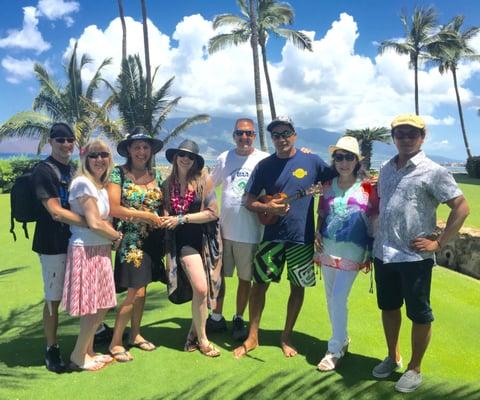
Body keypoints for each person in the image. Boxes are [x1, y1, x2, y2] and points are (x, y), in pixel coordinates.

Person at [371, 114, 469, 393]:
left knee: (419, 314)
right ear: (393, 138)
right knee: (388, 308)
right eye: (400, 134)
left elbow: (461, 207)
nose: (405, 138)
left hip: (414, 258)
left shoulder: (433, 171)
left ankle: (415, 367)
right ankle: (393, 356)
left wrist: (439, 243)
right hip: (384, 253)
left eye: (411, 134)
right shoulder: (387, 168)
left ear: (422, 137)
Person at [233, 116, 335, 358]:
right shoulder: (265, 166)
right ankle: (253, 336)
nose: (281, 139)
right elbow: (248, 200)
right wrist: (268, 208)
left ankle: (286, 336)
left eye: (285, 133)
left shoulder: (312, 161)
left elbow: (339, 175)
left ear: (295, 135)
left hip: (302, 237)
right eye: (276, 135)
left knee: (297, 288)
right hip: (271, 237)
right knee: (259, 286)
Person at [314, 136, 378, 371]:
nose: (343, 162)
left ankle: (333, 350)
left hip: (354, 250)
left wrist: (370, 251)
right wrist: (317, 234)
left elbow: (373, 221)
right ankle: (342, 339)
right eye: (339, 157)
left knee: (339, 297)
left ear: (357, 160)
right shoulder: (328, 186)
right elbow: (322, 215)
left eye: (349, 157)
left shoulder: (368, 187)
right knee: (331, 299)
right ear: (334, 160)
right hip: (328, 249)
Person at [31, 123, 88, 373]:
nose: (66, 144)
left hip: (76, 239)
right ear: (51, 142)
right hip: (52, 244)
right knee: (54, 297)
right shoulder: (43, 171)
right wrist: (93, 224)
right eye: (61, 140)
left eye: (70, 140)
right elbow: (55, 211)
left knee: (83, 288)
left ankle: (93, 329)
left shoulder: (75, 169)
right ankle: (51, 348)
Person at [62, 139, 122, 371]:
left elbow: (101, 221)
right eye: (94, 155)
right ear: (85, 158)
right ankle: (79, 355)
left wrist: (110, 236)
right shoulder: (82, 183)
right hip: (86, 249)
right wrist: (116, 236)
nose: (99, 160)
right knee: (90, 305)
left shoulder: (99, 185)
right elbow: (95, 223)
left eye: (103, 155)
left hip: (100, 248)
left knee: (102, 303)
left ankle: (88, 350)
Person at [107, 127, 165, 362]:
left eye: (145, 147)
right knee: (134, 292)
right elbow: (114, 208)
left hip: (152, 242)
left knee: (143, 291)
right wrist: (147, 217)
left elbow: (162, 206)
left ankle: (136, 334)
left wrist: (161, 218)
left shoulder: (157, 175)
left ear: (150, 150)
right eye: (137, 147)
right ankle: (116, 342)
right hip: (130, 242)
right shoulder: (118, 174)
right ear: (128, 150)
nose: (141, 151)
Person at [209, 118, 269, 341]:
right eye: (240, 133)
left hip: (250, 233)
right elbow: (208, 185)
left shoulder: (264, 159)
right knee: (220, 277)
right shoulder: (224, 158)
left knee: (245, 279)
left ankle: (238, 317)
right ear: (233, 135)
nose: (244, 138)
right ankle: (216, 316)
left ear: (254, 136)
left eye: (249, 133)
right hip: (223, 231)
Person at [162, 139, 222, 357]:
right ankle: (204, 340)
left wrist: (183, 218)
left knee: (206, 289)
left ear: (195, 161)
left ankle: (193, 333)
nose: (185, 158)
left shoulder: (203, 181)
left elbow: (213, 212)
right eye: (182, 154)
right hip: (184, 244)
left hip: (207, 243)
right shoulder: (167, 185)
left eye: (190, 156)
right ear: (175, 157)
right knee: (201, 288)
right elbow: (166, 213)